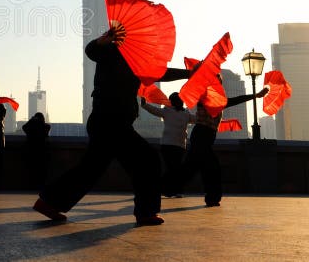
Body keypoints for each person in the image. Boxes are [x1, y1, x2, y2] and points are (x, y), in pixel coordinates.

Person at [33, 25, 192, 226]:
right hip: (110, 121)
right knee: (147, 160)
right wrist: (104, 39)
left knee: (91, 168)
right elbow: (91, 50)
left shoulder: (137, 62)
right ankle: (145, 212)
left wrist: (189, 73)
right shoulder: (111, 50)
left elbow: (161, 73)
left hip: (110, 122)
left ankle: (48, 202)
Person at [178, 80, 268, 207]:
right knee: (205, 168)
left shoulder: (212, 98)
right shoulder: (207, 98)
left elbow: (231, 101)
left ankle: (210, 197)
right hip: (202, 136)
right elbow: (233, 101)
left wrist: (255, 95)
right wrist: (255, 95)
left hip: (204, 136)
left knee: (199, 167)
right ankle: (166, 186)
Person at [140, 93, 195, 198]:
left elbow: (154, 110)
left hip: (167, 145)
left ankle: (166, 190)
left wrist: (145, 104)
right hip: (178, 146)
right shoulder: (185, 114)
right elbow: (197, 119)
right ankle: (172, 190)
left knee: (172, 168)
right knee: (175, 168)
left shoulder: (168, 112)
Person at [22, 112, 51, 190]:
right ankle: (42, 186)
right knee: (42, 171)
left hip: (32, 151)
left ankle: (32, 186)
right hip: (42, 152)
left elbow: (24, 127)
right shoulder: (45, 127)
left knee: (32, 171)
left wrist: (31, 120)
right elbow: (47, 126)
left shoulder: (31, 128)